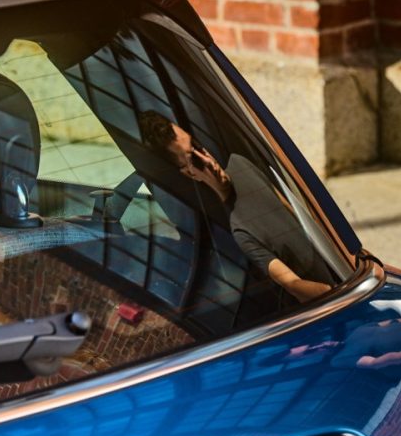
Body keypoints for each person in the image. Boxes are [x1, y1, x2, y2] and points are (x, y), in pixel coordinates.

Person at [137, 111, 336, 303]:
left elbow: (296, 213)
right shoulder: (240, 229)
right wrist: (333, 291)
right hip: (333, 294)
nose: (207, 159)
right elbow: (291, 283)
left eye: (197, 146)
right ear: (190, 174)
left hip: (338, 259)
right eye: (195, 159)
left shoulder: (241, 163)